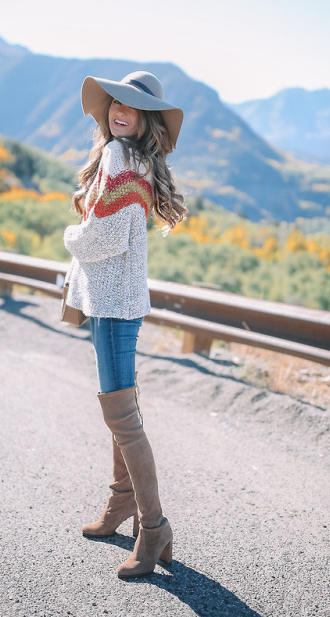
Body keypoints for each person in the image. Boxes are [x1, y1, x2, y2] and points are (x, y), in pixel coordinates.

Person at [63, 71, 187, 578]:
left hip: (113, 305)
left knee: (122, 418)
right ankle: (120, 505)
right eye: (117, 102)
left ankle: (153, 527)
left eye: (132, 108)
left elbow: (103, 237)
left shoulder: (119, 156)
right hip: (119, 301)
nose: (120, 111)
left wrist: (71, 235)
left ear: (145, 119)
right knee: (122, 409)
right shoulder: (136, 159)